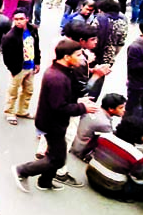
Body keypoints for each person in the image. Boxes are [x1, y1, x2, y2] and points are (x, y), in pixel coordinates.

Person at [13, 41, 99, 192]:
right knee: (58, 159)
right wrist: (82, 107)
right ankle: (22, 170)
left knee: (55, 154)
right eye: (78, 55)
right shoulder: (57, 78)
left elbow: (70, 94)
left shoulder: (65, 71)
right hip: (52, 124)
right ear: (66, 57)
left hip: (54, 122)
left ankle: (44, 182)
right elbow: (59, 107)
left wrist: (80, 99)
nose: (82, 59)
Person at [86, 116, 143, 202]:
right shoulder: (137, 156)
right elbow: (138, 178)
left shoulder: (103, 136)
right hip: (111, 189)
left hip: (91, 176)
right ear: (138, 135)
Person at [1, 10, 40, 126]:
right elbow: (6, 56)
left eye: (21, 19)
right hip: (18, 68)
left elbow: (36, 47)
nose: (18, 22)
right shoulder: (10, 36)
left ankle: (22, 110)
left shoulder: (32, 30)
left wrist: (37, 63)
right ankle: (10, 112)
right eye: (16, 19)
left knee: (28, 90)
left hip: (31, 66)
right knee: (13, 91)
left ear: (27, 19)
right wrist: (12, 69)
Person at [70, 93, 126, 161]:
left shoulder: (92, 108)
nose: (124, 110)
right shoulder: (105, 124)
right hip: (80, 151)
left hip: (74, 142)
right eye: (121, 108)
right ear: (111, 109)